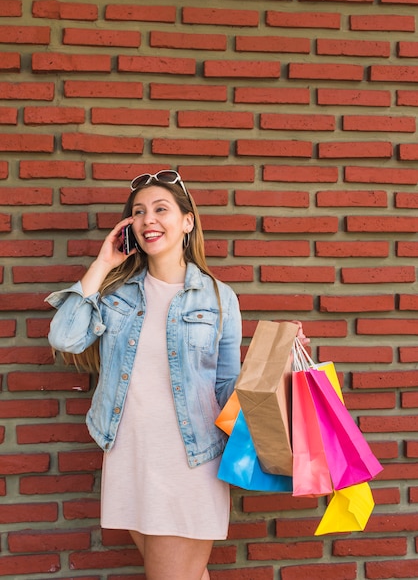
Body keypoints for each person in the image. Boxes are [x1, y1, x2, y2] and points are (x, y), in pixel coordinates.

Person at [46, 169, 309, 580]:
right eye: (138, 212)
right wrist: (102, 264)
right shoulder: (116, 292)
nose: (148, 219)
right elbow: (65, 338)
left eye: (161, 209)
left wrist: (280, 364)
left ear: (187, 221)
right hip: (128, 454)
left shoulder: (220, 298)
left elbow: (227, 386)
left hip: (190, 461)